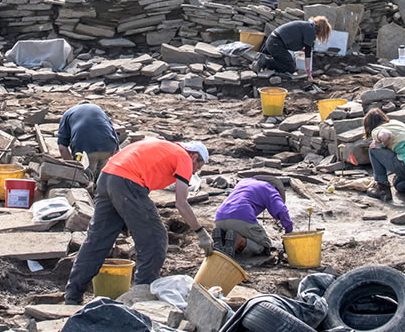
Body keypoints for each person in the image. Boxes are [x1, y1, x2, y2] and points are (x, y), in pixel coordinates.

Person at [64, 140, 213, 305]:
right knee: (155, 239)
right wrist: (201, 232)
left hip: (107, 177)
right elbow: (181, 203)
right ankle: (141, 295)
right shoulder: (184, 157)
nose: (195, 171)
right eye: (197, 167)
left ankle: (72, 295)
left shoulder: (165, 148)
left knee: (97, 240)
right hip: (127, 182)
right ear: (194, 156)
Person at [213, 176, 293, 257]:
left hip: (219, 217)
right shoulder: (269, 189)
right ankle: (239, 240)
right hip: (241, 216)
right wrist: (289, 231)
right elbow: (282, 210)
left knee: (234, 232)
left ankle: (222, 237)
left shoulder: (243, 182)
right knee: (265, 245)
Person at [253, 16, 332, 78]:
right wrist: (308, 71)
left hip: (273, 41)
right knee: (290, 67)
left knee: (288, 61)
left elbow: (294, 39)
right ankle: (265, 62)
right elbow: (308, 54)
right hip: (276, 43)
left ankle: (267, 62)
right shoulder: (310, 31)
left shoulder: (307, 25)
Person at [57, 103, 120, 178]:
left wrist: (73, 168)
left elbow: (62, 147)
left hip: (86, 149)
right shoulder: (98, 109)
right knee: (101, 177)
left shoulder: (67, 114)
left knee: (86, 179)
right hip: (108, 146)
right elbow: (112, 130)